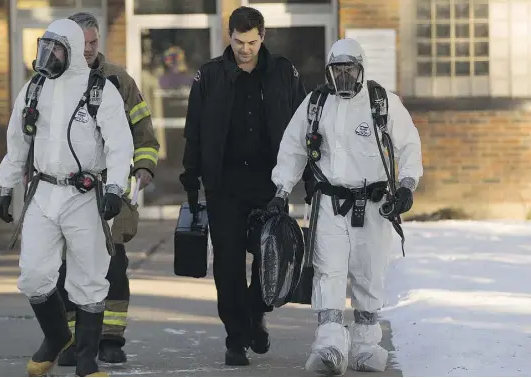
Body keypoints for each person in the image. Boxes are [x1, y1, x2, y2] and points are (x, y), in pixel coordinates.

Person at [269, 38, 423, 375]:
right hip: (330, 204)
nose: (343, 75)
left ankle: (367, 346)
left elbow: (410, 145)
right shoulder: (317, 104)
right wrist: (282, 189)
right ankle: (329, 345)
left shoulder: (382, 103)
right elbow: (293, 147)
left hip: (375, 205)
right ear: (329, 70)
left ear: (361, 68)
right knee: (329, 272)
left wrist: (408, 185)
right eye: (337, 69)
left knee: (369, 275)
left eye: (349, 68)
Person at [0, 18, 134, 377]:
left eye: (56, 48)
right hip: (42, 193)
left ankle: (86, 362)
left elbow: (121, 145)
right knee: (33, 275)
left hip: (84, 196)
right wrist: (5, 186)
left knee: (89, 278)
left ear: (71, 51)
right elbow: (17, 141)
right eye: (46, 46)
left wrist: (116, 188)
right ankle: (57, 337)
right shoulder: (34, 89)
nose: (48, 55)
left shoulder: (100, 90)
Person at [179, 6, 313, 366]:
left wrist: (310, 179)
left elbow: (305, 131)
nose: (244, 49)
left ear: (262, 36)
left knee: (272, 256)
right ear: (230, 36)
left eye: (251, 42)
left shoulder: (284, 73)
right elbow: (194, 133)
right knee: (228, 264)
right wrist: (191, 180)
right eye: (238, 42)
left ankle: (256, 312)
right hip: (224, 186)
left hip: (271, 184)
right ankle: (236, 337)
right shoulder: (209, 76)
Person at [54, 12, 160, 366]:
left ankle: (110, 338)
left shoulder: (117, 79)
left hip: (108, 187)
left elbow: (142, 129)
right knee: (66, 268)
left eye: (93, 42)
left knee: (112, 265)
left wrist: (144, 166)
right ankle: (72, 340)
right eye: (81, 43)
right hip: (66, 192)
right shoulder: (51, 79)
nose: (88, 50)